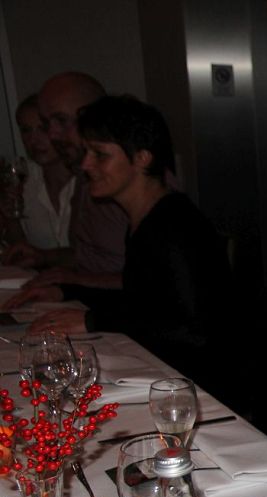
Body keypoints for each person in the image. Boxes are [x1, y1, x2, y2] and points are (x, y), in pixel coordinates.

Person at [4, 95, 239, 404]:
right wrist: (66, 291)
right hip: (169, 374)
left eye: (100, 155)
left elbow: (193, 329)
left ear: (142, 158)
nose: (86, 165)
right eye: (87, 152)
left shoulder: (175, 227)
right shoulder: (147, 219)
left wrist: (92, 320)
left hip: (203, 391)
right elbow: (142, 301)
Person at [2, 72, 125, 290]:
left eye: (60, 121)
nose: (51, 134)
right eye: (46, 124)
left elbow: (152, 279)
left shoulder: (125, 178)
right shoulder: (84, 178)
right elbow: (86, 257)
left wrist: (75, 282)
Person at [0, 95, 75, 249]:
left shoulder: (87, 177)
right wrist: (11, 218)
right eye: (26, 130)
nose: (33, 140)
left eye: (43, 129)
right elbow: (20, 249)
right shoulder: (24, 179)